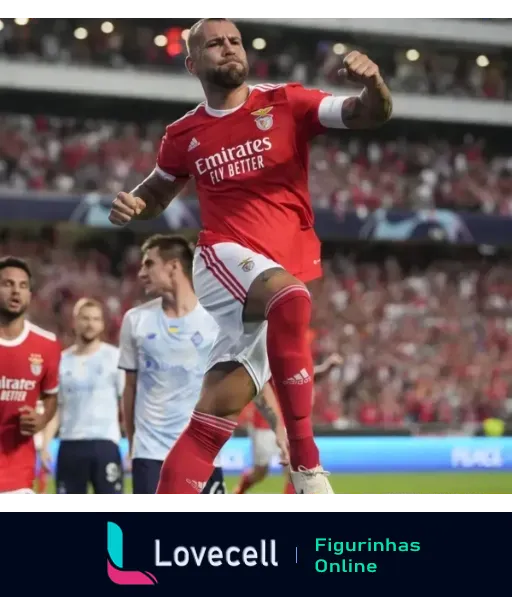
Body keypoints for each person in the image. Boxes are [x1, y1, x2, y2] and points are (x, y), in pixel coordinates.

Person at [108, 17, 392, 495]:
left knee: (213, 417)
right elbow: (157, 191)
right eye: (214, 43)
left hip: (273, 278)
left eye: (234, 41)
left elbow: (369, 113)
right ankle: (307, 467)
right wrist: (135, 204)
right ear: (193, 62)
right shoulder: (183, 134)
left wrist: (374, 84)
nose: (228, 48)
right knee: (292, 299)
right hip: (223, 259)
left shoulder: (287, 102)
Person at [118, 234, 287, 495]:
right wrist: (133, 445)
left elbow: (251, 378)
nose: (141, 273)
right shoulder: (135, 320)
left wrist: (278, 426)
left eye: (148, 264)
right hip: (150, 455)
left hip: (203, 453)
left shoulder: (217, 319)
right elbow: (129, 389)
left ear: (174, 266)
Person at [41, 298, 124, 495]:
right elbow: (56, 408)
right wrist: (44, 444)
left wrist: (134, 443)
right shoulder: (61, 361)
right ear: (75, 322)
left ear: (102, 324)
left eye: (96, 319)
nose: (90, 323)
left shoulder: (115, 358)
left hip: (105, 443)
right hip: (70, 444)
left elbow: (127, 403)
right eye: (85, 318)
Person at [235, 354, 344, 496]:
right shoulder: (266, 357)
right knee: (260, 471)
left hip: (288, 422)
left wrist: (327, 367)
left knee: (295, 468)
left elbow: (306, 376)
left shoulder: (289, 356)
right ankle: (239, 491)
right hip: (263, 424)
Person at [0, 257, 61, 495]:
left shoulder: (47, 345)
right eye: (7, 284)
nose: (16, 291)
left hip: (19, 478)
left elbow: (51, 396)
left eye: (23, 285)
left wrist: (42, 419)